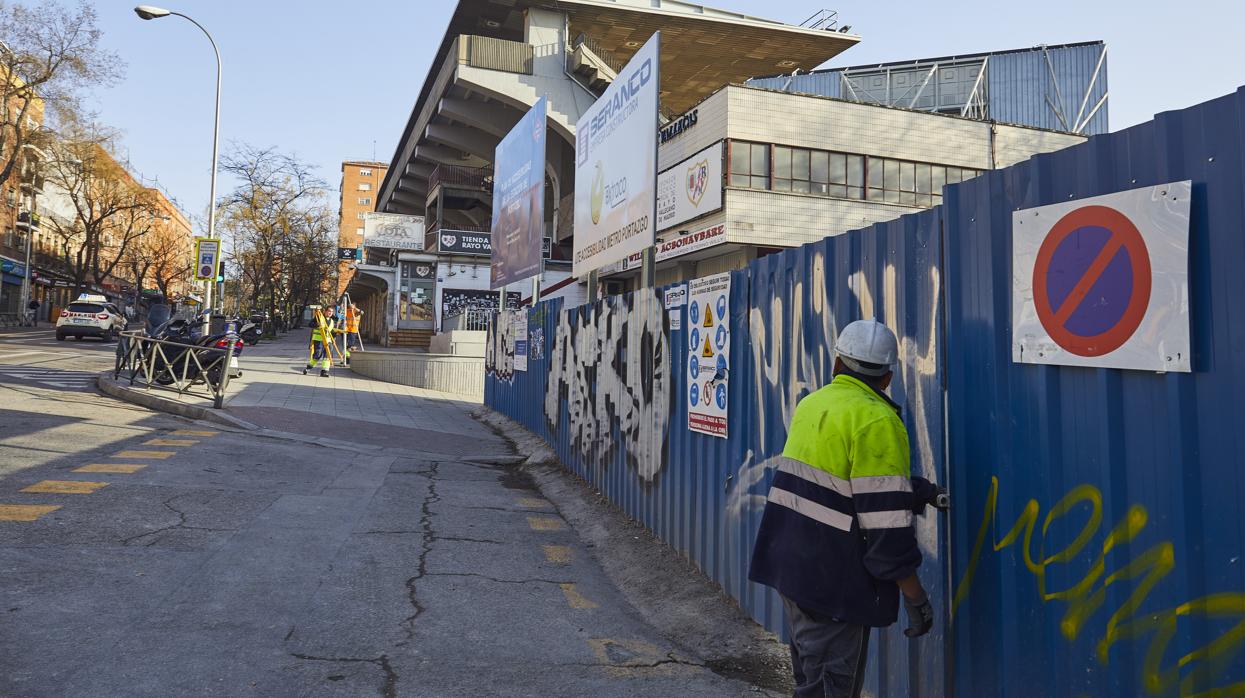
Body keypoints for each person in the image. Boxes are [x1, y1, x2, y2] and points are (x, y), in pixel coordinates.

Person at [748, 319, 944, 698]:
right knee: (829, 689)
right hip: (830, 585)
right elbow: (886, 532)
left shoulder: (812, 404)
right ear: (887, 378)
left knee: (811, 679)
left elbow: (836, 479)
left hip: (791, 569)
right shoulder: (877, 420)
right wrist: (915, 597)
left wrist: (917, 490)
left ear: (837, 364)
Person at [303, 308, 336, 377]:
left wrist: (334, 338)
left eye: (332, 312)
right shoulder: (319, 317)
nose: (330, 313)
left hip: (328, 341)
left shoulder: (332, 321)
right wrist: (317, 324)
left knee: (327, 356)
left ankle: (324, 371)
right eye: (329, 311)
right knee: (317, 355)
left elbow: (331, 331)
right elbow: (310, 324)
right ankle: (308, 367)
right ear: (325, 311)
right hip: (319, 340)